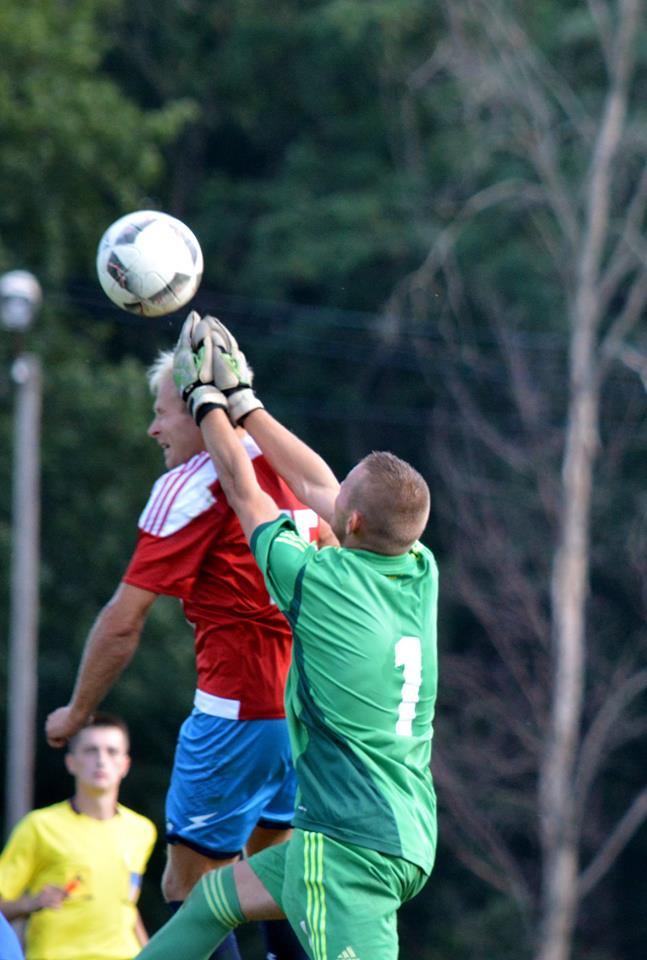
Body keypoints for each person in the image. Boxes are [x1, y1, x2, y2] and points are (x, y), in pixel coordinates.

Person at [134, 313, 439, 960]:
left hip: (355, 848)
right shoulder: (417, 569)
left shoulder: (319, 586)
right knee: (209, 904)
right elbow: (313, 486)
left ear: (348, 521)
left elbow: (245, 489)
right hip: (396, 822)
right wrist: (244, 400)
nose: (328, 494)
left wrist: (205, 399)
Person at [45, 350, 331, 960]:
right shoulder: (292, 471)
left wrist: (75, 714)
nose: (153, 428)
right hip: (309, 716)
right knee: (271, 875)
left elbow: (123, 623)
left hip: (237, 717)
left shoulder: (192, 485)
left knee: (190, 884)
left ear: (202, 414)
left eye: (162, 412)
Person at [0, 713, 156, 960]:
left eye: (111, 751)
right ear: (71, 762)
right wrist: (30, 903)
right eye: (91, 750)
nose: (101, 760)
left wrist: (150, 953)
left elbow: (125, 905)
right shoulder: (39, 826)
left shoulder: (142, 830)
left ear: (125, 764)